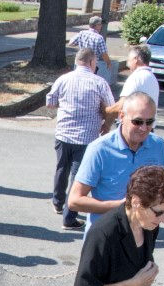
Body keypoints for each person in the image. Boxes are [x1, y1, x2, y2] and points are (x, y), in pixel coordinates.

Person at [69, 92, 164, 238]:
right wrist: (122, 207)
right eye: (137, 121)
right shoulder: (100, 149)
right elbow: (74, 201)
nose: (144, 128)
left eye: (149, 122)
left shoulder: (157, 145)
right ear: (121, 116)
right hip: (106, 237)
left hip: (142, 237)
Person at [46, 48, 115, 231]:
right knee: (78, 178)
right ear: (92, 62)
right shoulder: (99, 82)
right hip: (86, 137)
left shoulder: (63, 79)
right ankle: (69, 218)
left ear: (77, 61)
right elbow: (111, 108)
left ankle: (57, 202)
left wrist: (66, 105)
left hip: (63, 133)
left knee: (61, 169)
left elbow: (50, 102)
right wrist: (106, 124)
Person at [107, 45, 158, 115]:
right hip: (148, 120)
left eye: (128, 59)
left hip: (133, 120)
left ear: (135, 59)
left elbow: (121, 105)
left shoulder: (136, 77)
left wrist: (106, 110)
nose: (127, 63)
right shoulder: (152, 77)